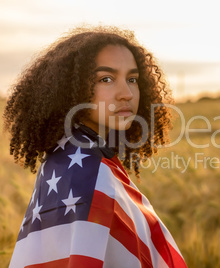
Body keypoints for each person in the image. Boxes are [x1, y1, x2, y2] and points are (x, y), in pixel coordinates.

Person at [3, 25, 187, 268]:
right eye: (106, 79)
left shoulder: (68, 156)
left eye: (132, 79)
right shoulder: (88, 171)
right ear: (71, 88)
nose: (127, 93)